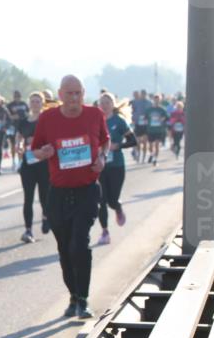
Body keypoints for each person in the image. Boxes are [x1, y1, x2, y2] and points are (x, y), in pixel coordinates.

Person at [31, 75, 110, 320]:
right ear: (60, 94)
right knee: (65, 249)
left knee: (80, 244)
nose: (74, 98)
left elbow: (105, 142)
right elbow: (36, 150)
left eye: (78, 93)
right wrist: (43, 153)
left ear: (83, 93)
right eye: (69, 93)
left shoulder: (94, 115)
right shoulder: (48, 118)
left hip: (87, 189)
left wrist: (102, 158)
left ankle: (84, 300)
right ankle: (73, 296)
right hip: (58, 193)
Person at [95, 93, 137, 246]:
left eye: (108, 102)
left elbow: (133, 141)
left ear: (113, 104)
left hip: (116, 166)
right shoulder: (95, 121)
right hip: (100, 166)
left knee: (112, 200)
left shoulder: (119, 122)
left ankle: (117, 207)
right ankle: (105, 232)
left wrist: (117, 146)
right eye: (102, 102)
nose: (105, 105)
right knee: (101, 200)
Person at [17, 92, 51, 243]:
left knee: (45, 196)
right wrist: (19, 146)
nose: (35, 104)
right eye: (33, 101)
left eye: (38, 101)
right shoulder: (23, 121)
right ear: (29, 103)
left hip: (43, 163)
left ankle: (46, 217)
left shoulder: (46, 120)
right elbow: (19, 137)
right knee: (28, 198)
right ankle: (28, 230)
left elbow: (52, 137)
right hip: (28, 164)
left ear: (42, 103)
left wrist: (38, 141)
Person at [143, 94, 169, 166]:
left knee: (157, 145)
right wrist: (146, 122)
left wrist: (162, 119)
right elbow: (145, 118)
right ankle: (151, 154)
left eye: (158, 100)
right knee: (150, 146)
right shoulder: (149, 109)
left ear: (160, 100)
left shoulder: (162, 109)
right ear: (153, 100)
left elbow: (166, 117)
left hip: (159, 130)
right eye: (155, 100)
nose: (156, 101)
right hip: (150, 130)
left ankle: (155, 159)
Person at [131, 90, 150, 163]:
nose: (143, 96)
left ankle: (144, 157)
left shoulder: (149, 103)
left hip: (145, 125)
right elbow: (132, 111)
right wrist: (133, 119)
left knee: (145, 142)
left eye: (144, 94)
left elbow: (150, 112)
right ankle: (138, 155)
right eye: (142, 94)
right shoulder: (136, 102)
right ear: (140, 95)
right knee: (138, 141)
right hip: (137, 124)